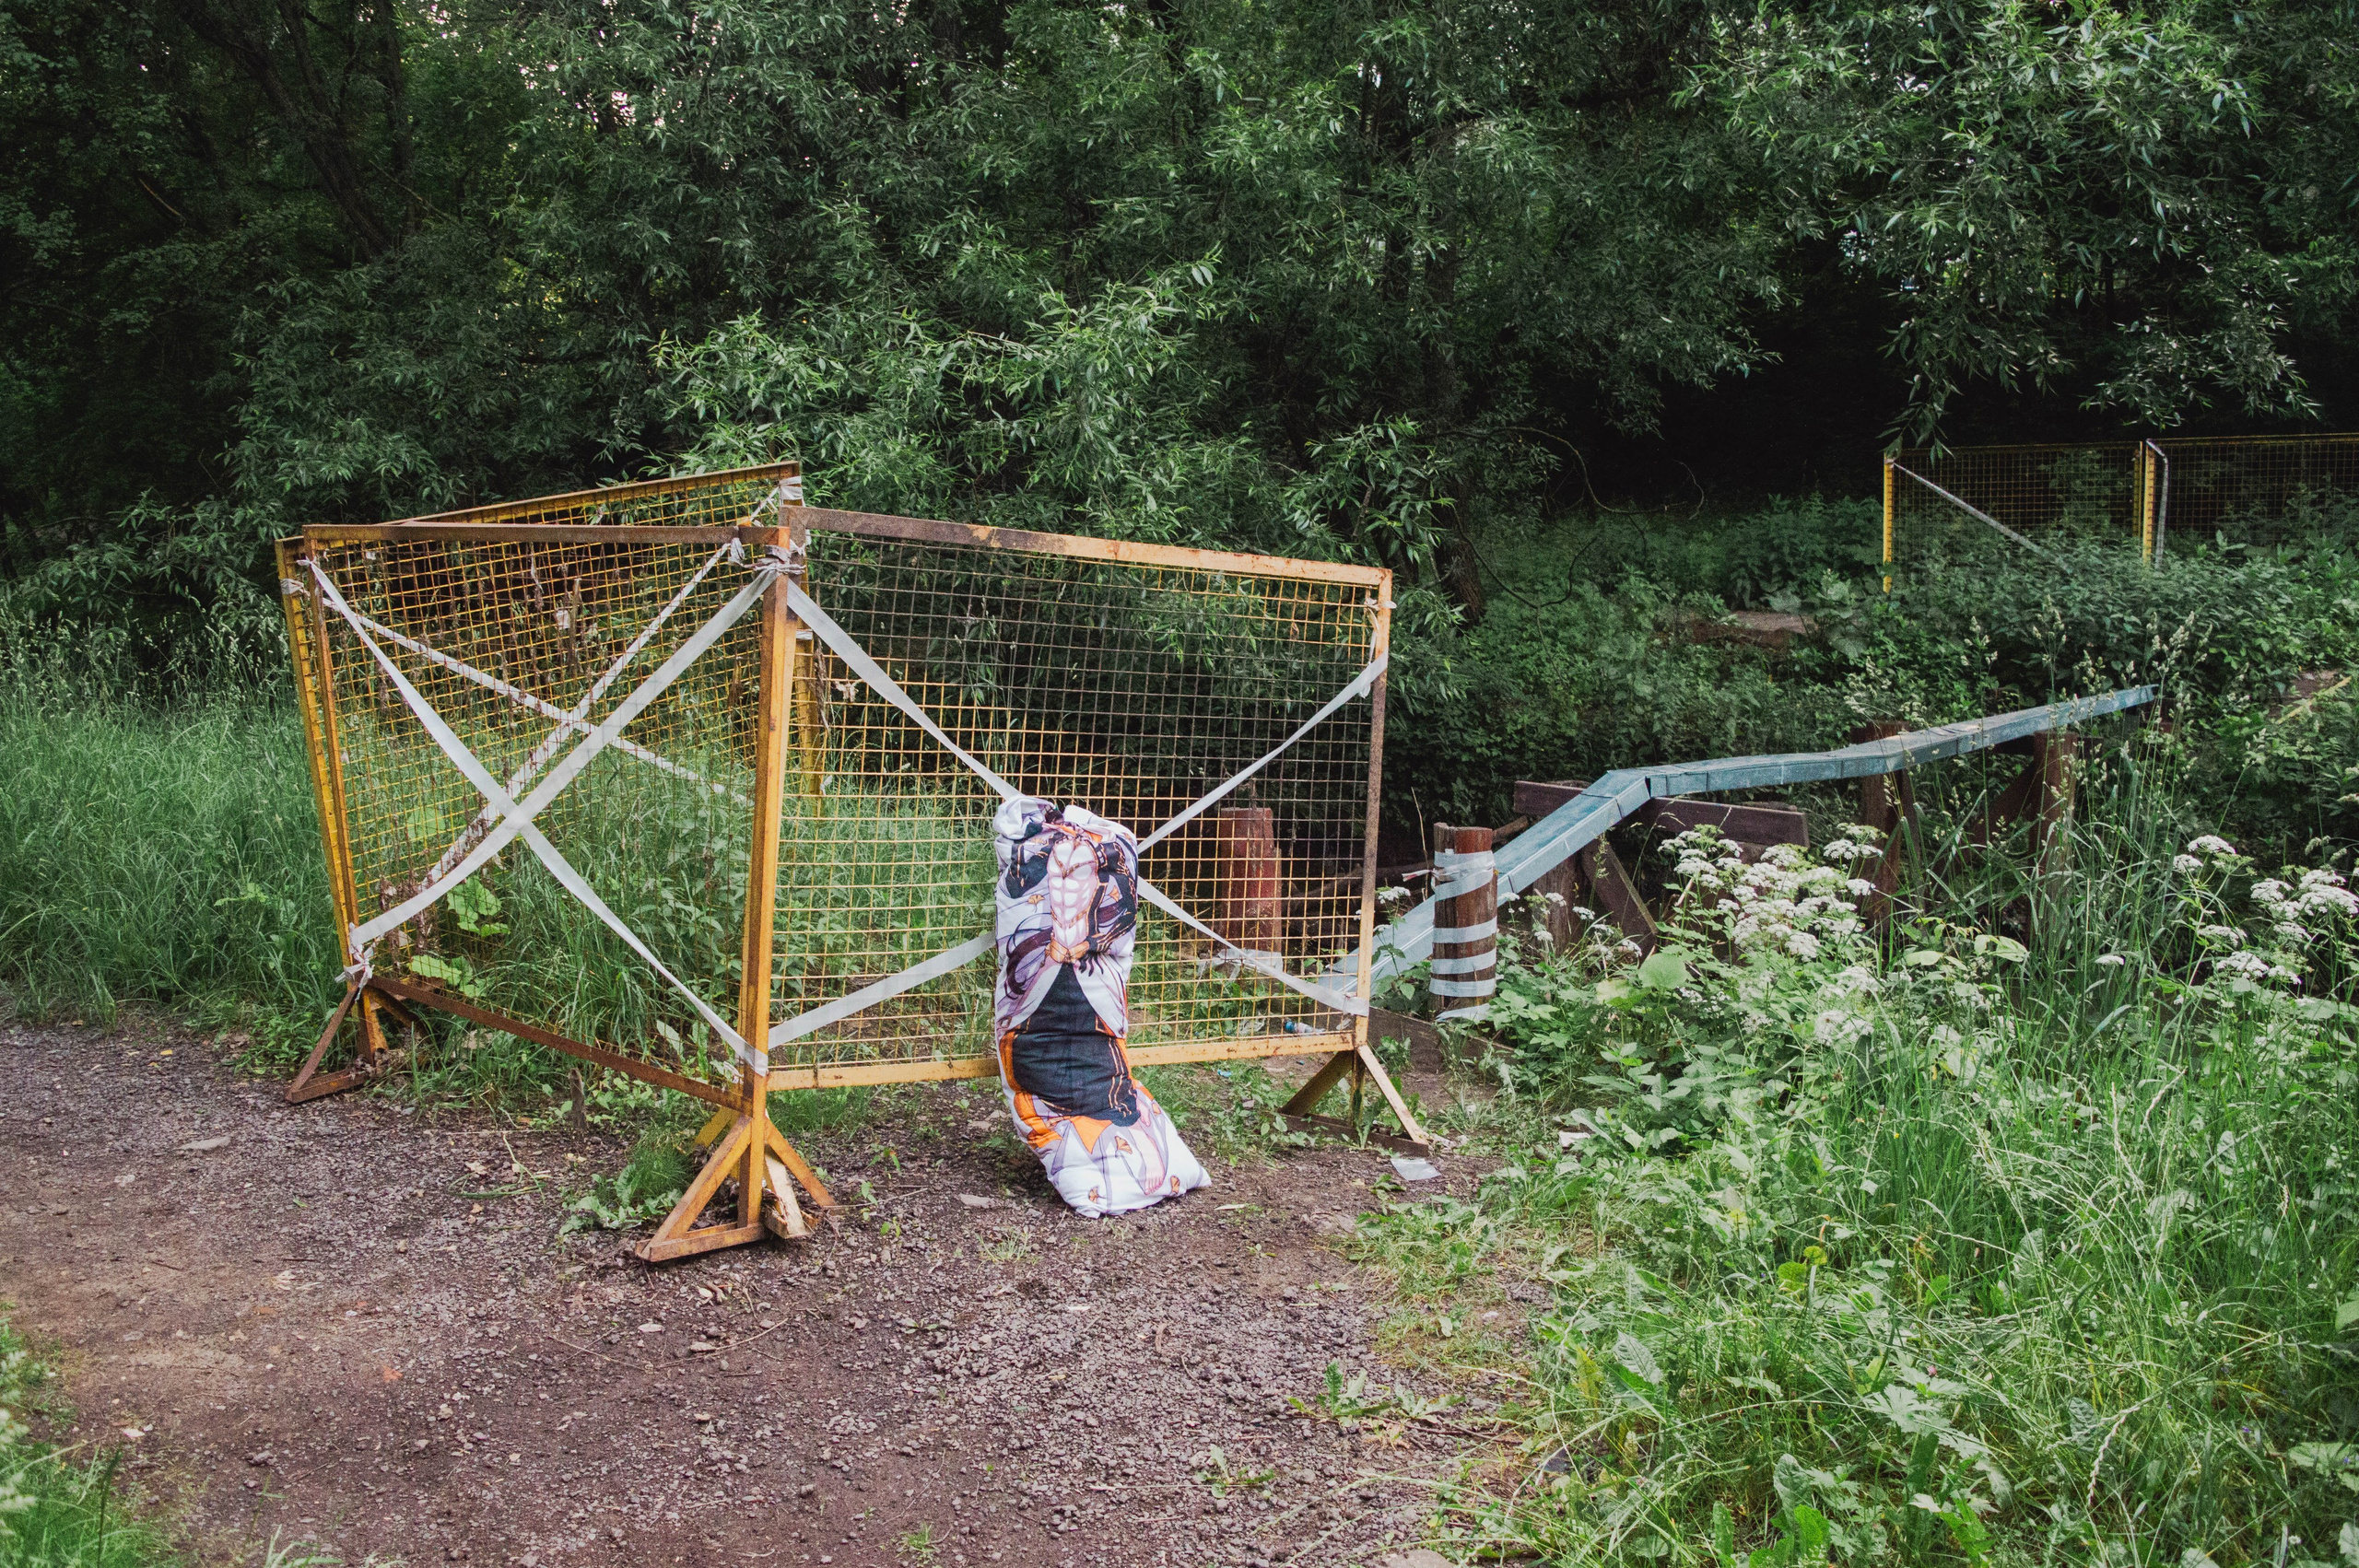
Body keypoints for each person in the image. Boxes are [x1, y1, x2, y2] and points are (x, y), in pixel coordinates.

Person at [991, 797, 1208, 1216]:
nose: (1066, 884)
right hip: (1040, 1036)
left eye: (1079, 874)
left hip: (1093, 1045)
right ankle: (1106, 1173)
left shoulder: (1099, 960)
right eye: (1059, 872)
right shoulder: (1031, 960)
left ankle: (1128, 1168)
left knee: (1111, 1099)